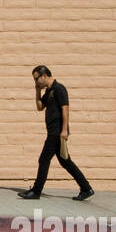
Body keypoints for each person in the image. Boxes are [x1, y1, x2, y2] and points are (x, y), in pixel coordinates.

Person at [19, 65, 94, 200]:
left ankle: (36, 191)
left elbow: (65, 109)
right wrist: (37, 91)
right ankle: (86, 188)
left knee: (43, 160)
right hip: (53, 131)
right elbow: (40, 107)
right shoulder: (49, 91)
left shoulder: (59, 89)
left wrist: (64, 129)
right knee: (66, 162)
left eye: (36, 79)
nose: (36, 82)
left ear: (44, 76)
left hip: (57, 132)